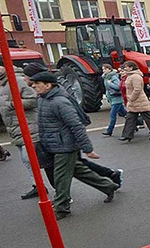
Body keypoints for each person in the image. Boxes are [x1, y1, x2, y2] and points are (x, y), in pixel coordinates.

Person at [30, 72, 118, 219]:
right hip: (54, 144)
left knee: (61, 177)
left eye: (37, 83)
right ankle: (108, 186)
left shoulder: (60, 102)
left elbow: (76, 126)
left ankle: (62, 208)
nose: (33, 86)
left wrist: (88, 149)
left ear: (48, 85)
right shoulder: (42, 100)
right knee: (79, 171)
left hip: (65, 145)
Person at [0, 56, 37, 197]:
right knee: (26, 160)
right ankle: (37, 185)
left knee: (29, 159)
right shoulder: (4, 83)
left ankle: (50, 188)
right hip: (15, 127)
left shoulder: (17, 81)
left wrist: (13, 105)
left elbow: (32, 99)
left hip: (27, 126)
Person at [119, 62, 150, 142]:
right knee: (130, 118)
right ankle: (127, 135)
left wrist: (131, 98)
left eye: (126, 67)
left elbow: (137, 90)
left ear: (131, 68)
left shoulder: (135, 76)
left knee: (147, 118)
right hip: (134, 101)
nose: (125, 68)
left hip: (139, 100)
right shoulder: (130, 76)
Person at [100, 63, 127, 136]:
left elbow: (118, 87)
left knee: (112, 115)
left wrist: (110, 84)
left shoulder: (113, 77)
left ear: (109, 69)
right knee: (125, 113)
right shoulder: (106, 77)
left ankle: (109, 130)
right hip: (113, 98)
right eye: (103, 69)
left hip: (117, 99)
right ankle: (135, 122)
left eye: (105, 69)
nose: (103, 71)